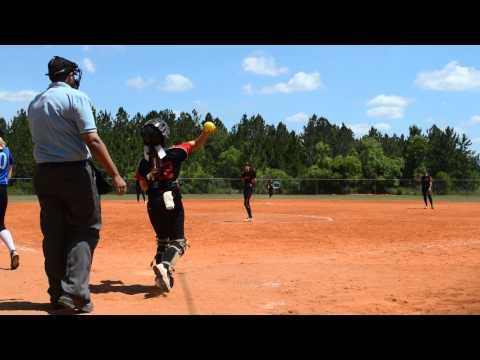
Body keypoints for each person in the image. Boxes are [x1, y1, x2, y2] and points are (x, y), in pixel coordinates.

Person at [27, 56, 127, 313]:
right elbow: (92, 139)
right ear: (71, 75)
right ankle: (75, 294)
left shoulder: (35, 103)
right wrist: (115, 174)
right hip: (74, 172)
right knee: (85, 229)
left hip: (44, 174)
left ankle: (57, 293)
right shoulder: (75, 97)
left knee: (54, 233)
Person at [135, 119, 214, 293]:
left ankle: (161, 277)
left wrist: (152, 176)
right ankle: (165, 266)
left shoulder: (144, 161)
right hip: (170, 198)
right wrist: (206, 133)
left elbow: (143, 186)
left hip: (153, 201)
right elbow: (195, 144)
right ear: (164, 136)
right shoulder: (175, 152)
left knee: (162, 240)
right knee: (179, 241)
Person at [0, 132, 19, 270]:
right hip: (3, 189)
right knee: (0, 224)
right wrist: (7, 178)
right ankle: (13, 251)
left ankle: (13, 251)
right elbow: (11, 165)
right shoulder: (7, 150)